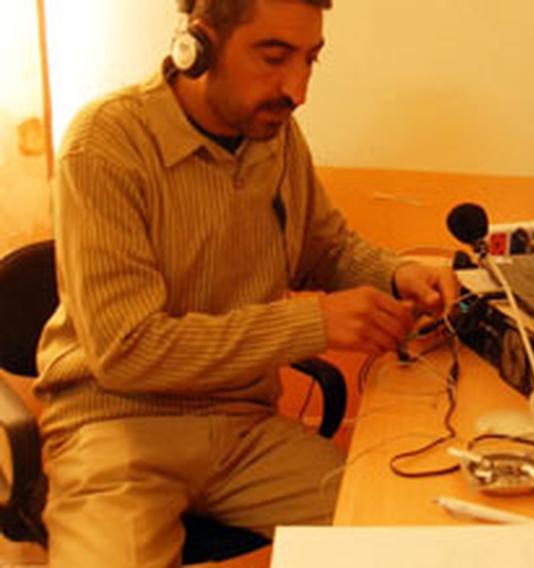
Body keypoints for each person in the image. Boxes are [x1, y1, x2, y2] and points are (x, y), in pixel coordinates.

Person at [33, 0, 459, 565]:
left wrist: (397, 272)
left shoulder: (275, 135)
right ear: (199, 44)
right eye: (275, 57)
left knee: (406, 534)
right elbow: (125, 350)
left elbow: (325, 248)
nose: (297, 89)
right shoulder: (106, 144)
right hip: (116, 432)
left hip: (243, 430)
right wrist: (315, 323)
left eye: (311, 61)